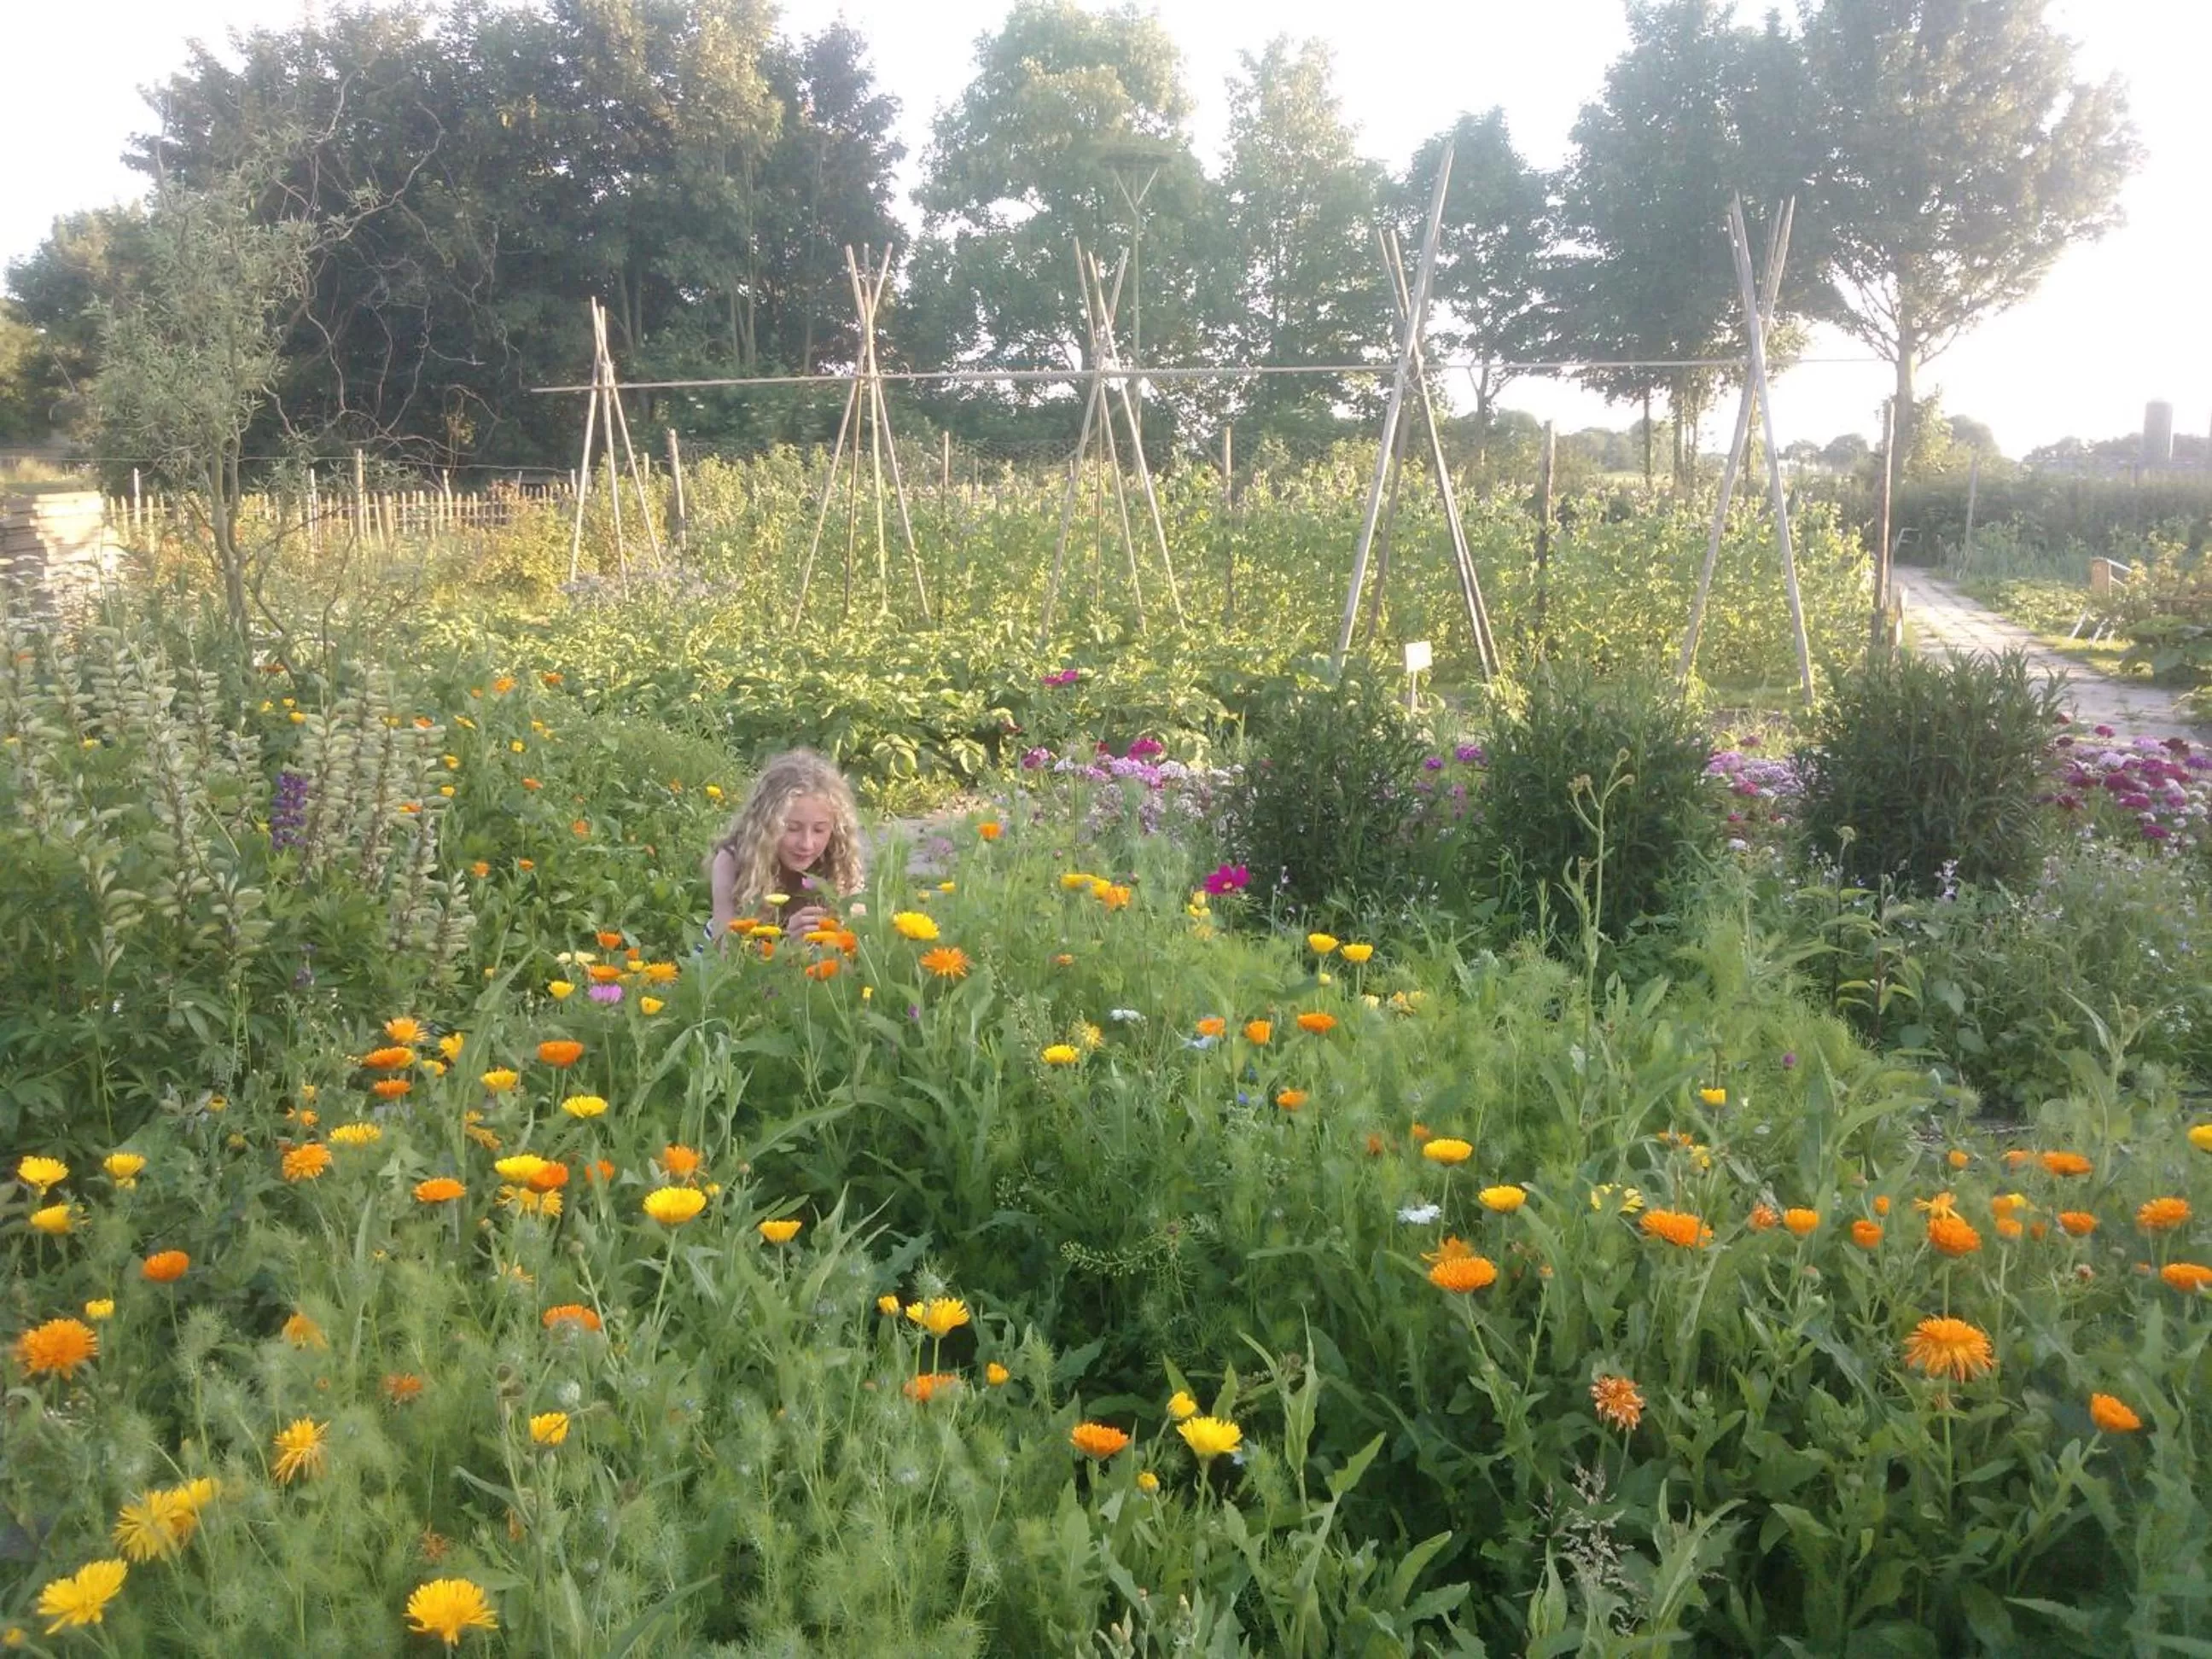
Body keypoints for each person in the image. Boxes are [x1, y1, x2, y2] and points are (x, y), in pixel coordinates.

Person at [703, 749, 866, 950]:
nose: (806, 843)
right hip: (743, 966)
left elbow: (860, 950)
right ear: (766, 826)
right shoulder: (732, 861)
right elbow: (725, 955)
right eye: (792, 828)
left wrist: (835, 942)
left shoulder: (842, 862)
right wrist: (788, 947)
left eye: (819, 830)